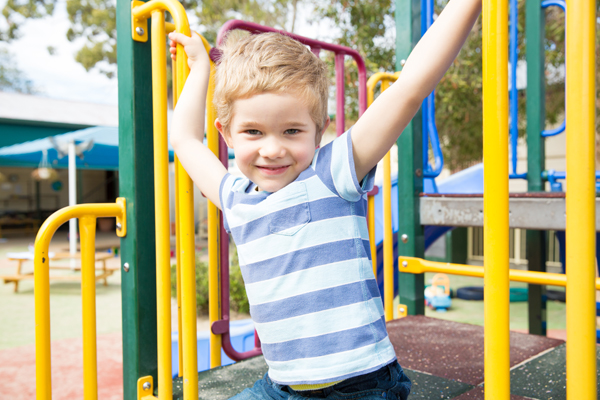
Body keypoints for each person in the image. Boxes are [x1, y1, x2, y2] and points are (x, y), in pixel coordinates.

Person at [169, 0, 481, 398]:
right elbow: (184, 139)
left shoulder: (332, 173)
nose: (272, 149)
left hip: (360, 386)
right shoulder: (235, 198)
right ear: (226, 135)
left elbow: (410, 87)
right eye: (252, 132)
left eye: (292, 131)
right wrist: (200, 69)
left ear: (318, 133)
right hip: (283, 386)